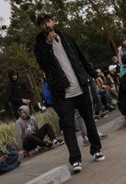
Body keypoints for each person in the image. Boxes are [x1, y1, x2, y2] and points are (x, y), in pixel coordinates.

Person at [33, 14, 104, 174]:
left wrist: (92, 73)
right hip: (62, 92)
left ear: (53, 22)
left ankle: (96, 149)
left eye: (48, 21)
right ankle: (75, 159)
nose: (47, 25)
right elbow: (44, 66)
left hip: (80, 84)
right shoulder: (39, 45)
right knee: (68, 125)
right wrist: (49, 45)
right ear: (40, 27)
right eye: (43, 24)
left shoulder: (65, 36)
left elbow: (80, 56)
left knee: (89, 119)